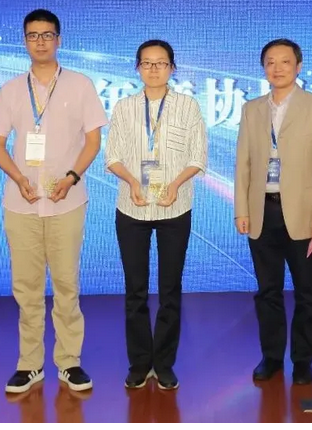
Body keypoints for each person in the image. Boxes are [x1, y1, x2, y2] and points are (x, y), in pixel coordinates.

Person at [0, 9, 107, 394]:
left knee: (67, 284)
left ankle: (69, 362)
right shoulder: (10, 89)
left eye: (47, 35)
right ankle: (30, 364)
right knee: (26, 287)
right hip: (21, 203)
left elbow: (93, 141)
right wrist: (19, 178)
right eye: (33, 35)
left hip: (66, 201)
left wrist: (72, 178)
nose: (40, 41)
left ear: (59, 40)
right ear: (25, 41)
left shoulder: (80, 85)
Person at [233, 38, 312, 385]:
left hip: (304, 214)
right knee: (268, 291)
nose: (277, 68)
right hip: (261, 211)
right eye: (270, 62)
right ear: (263, 68)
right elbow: (243, 163)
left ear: (299, 66)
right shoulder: (251, 109)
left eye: (284, 61)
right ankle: (271, 358)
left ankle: (303, 360)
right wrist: (241, 209)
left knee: (306, 292)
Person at [105, 39, 208, 390]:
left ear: (172, 68)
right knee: (135, 289)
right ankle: (139, 363)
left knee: (170, 289)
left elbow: (198, 156)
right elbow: (112, 156)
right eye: (146, 63)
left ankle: (164, 364)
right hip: (131, 206)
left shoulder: (187, 106)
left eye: (161, 63)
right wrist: (133, 181)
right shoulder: (124, 107)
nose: (153, 69)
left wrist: (176, 184)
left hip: (174, 207)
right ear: (137, 68)